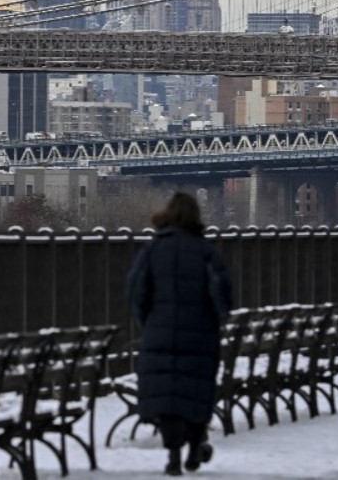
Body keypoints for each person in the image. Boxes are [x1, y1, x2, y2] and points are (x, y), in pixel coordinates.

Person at [127, 190, 232, 476]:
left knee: (167, 395)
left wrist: (147, 322)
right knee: (195, 392)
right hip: (199, 334)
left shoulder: (152, 250)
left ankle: (174, 454)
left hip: (159, 333)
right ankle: (195, 445)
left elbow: (136, 292)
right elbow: (223, 295)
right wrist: (215, 317)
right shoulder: (206, 252)